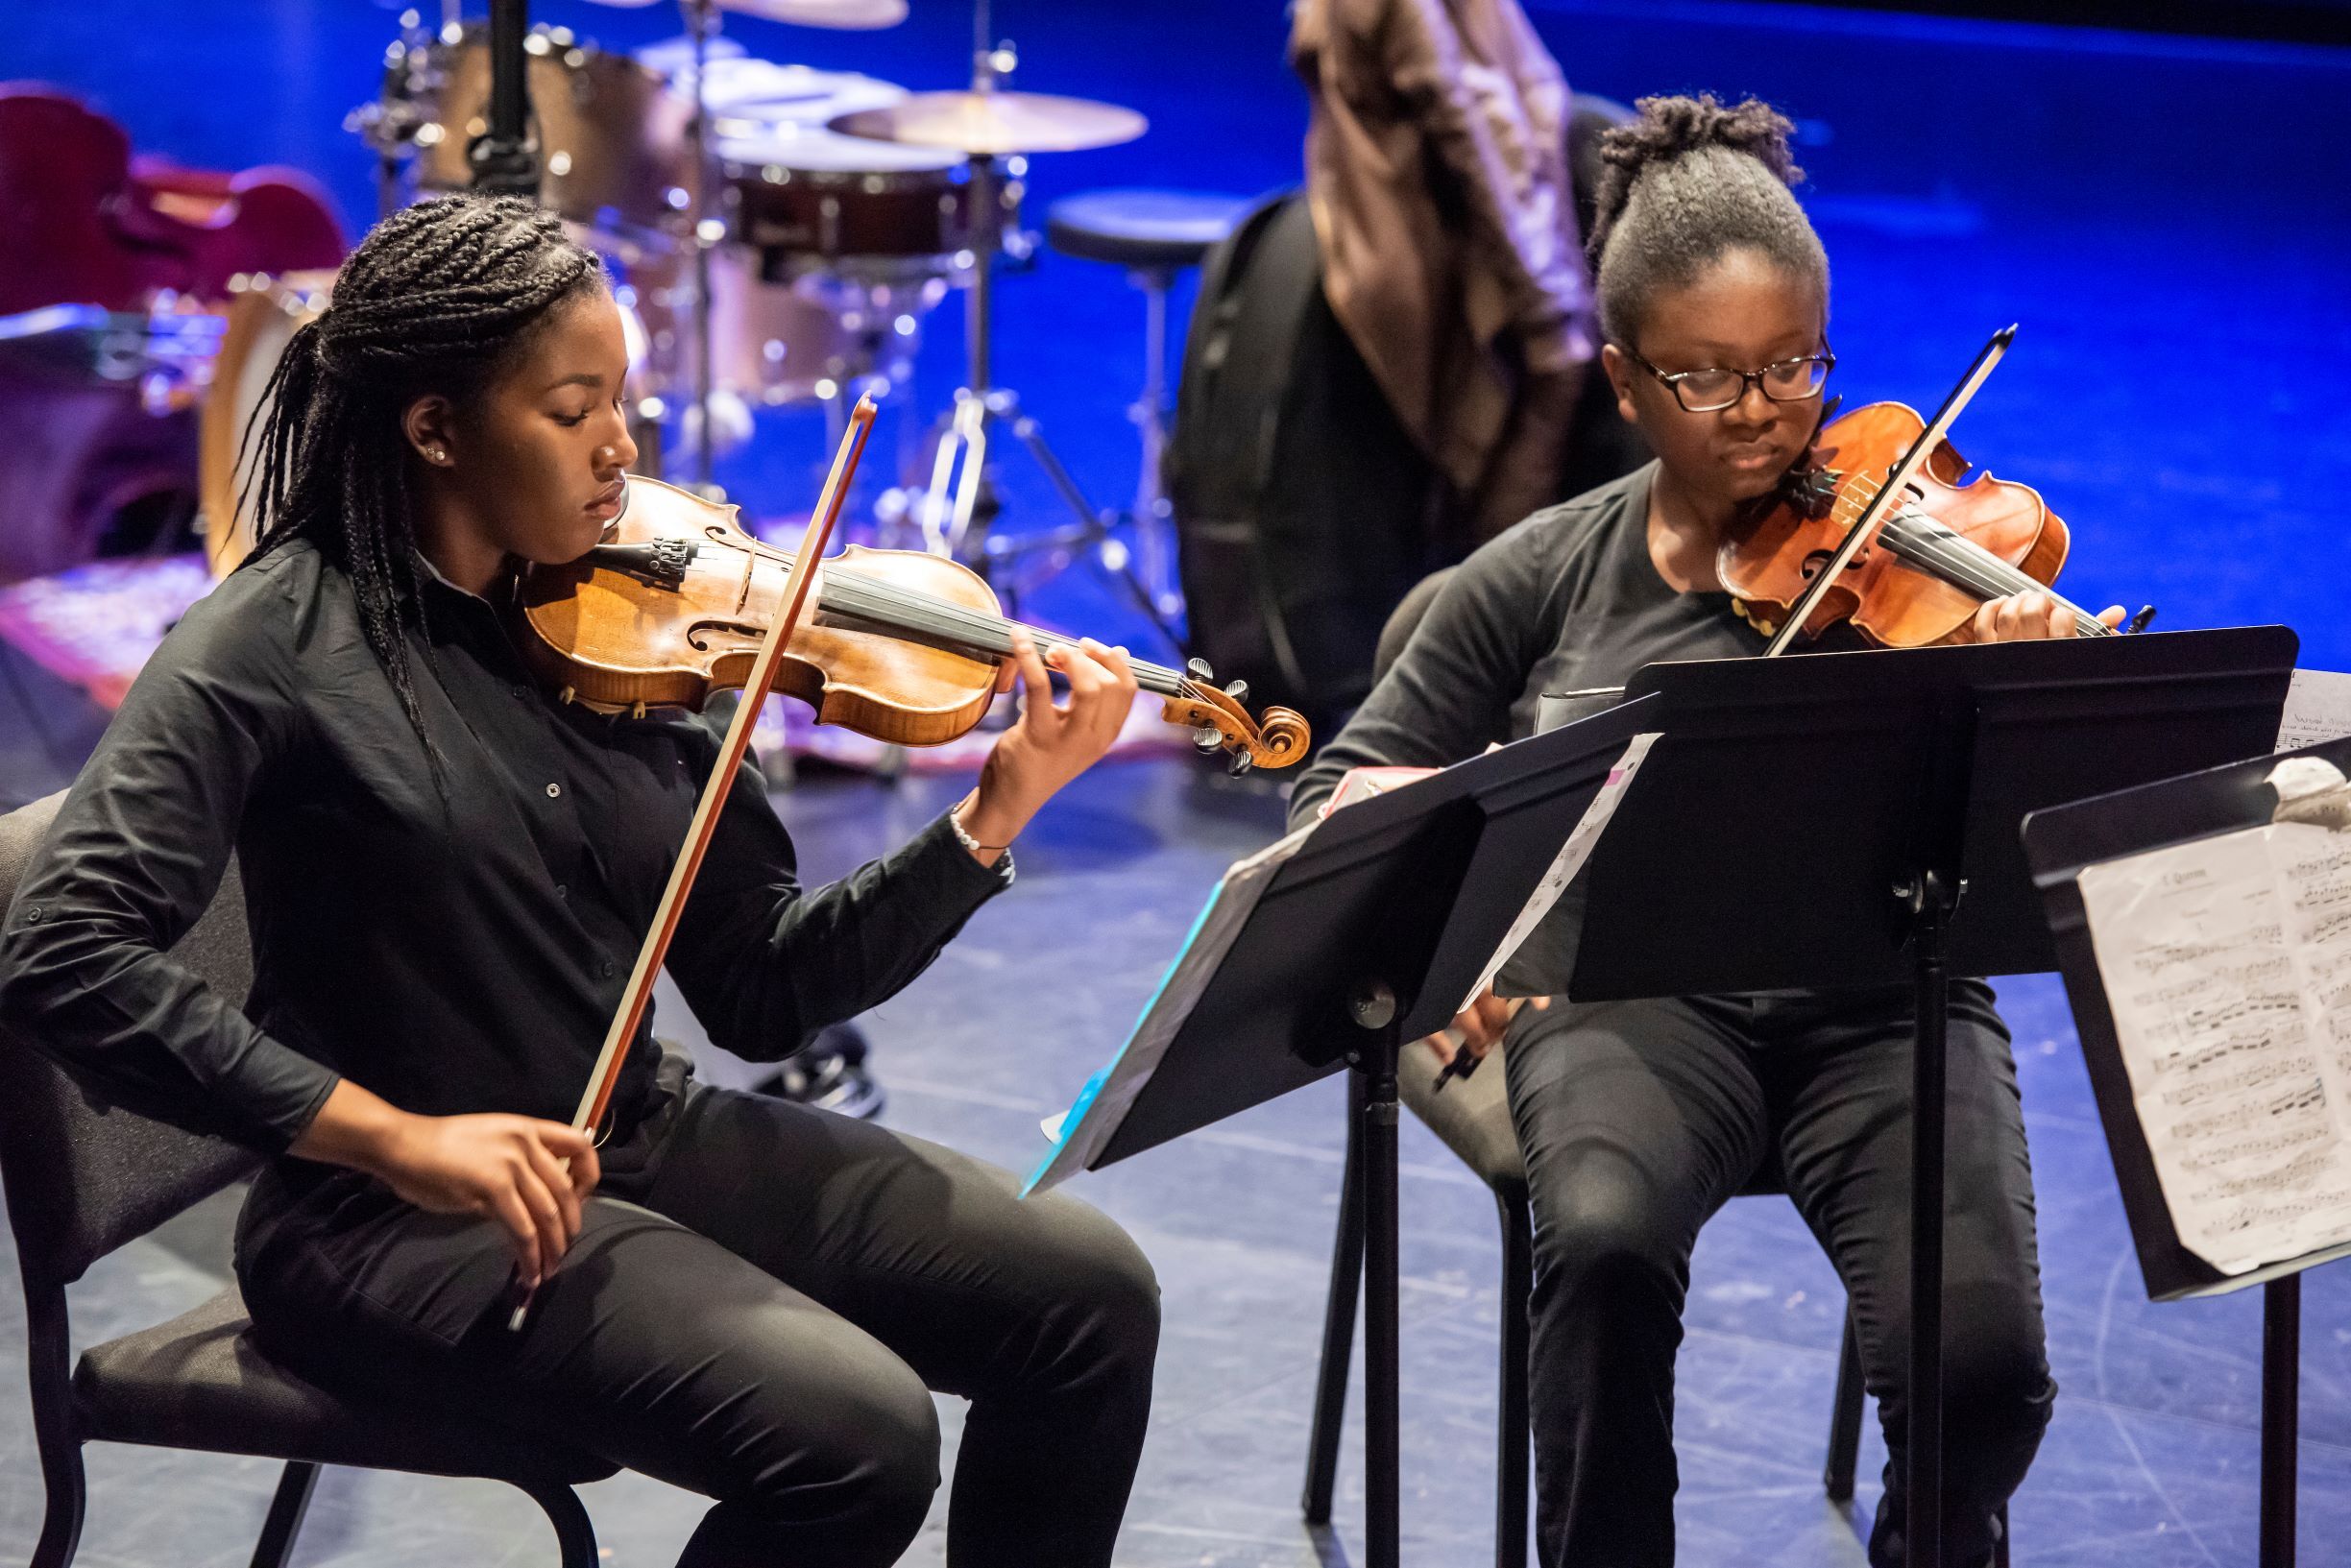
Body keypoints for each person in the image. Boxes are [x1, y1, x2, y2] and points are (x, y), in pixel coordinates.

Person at [0, 194, 1159, 1568]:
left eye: (625, 399)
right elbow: (63, 946)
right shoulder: (267, 644)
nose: (623, 452)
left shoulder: (630, 615)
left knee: (1086, 1298)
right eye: (572, 411)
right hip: (388, 1223)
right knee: (857, 1439)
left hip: (626, 1136)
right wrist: (391, 1136)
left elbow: (763, 984)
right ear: (436, 429)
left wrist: (990, 813)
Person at [1288, 96, 2110, 1568]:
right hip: (1627, 999)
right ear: (1623, 379)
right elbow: (1339, 785)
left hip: (1884, 995)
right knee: (1600, 1248)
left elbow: (2053, 804)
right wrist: (1444, 920)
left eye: (1796, 366)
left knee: (1978, 1357)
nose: (1770, 417)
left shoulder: (1921, 548)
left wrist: (2031, 673)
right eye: (1711, 381)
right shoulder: (1540, 574)